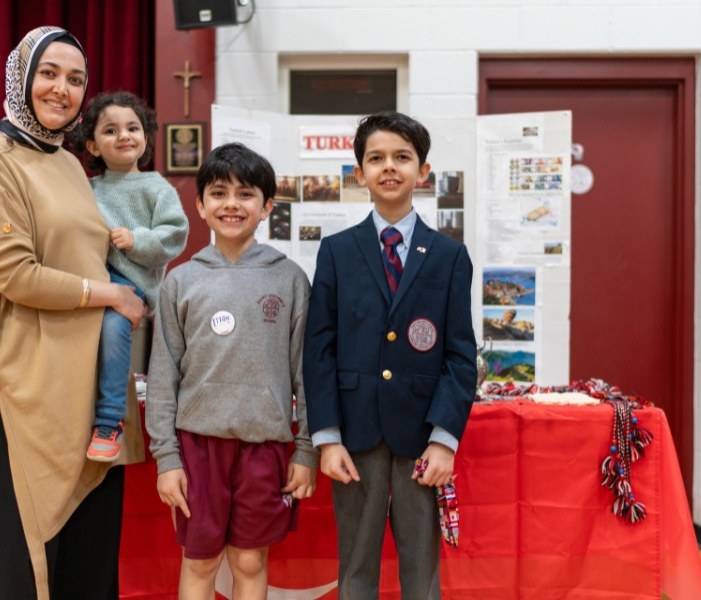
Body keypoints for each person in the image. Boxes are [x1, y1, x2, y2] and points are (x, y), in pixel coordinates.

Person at [0, 26, 146, 600]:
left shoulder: (69, 164)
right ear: (22, 77)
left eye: (76, 79)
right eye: (49, 74)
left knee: (89, 559)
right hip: (30, 386)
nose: (62, 89)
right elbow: (17, 276)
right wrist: (112, 297)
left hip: (91, 388)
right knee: (26, 561)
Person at [302, 111, 477, 599]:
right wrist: (326, 437)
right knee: (356, 565)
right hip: (354, 434)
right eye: (376, 158)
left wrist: (445, 440)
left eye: (402, 157)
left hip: (421, 435)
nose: (389, 167)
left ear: (423, 171)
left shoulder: (448, 256)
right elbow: (319, 348)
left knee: (420, 569)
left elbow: (461, 355)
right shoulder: (337, 251)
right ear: (359, 174)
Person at [145, 142, 319, 600]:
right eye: (219, 193)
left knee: (249, 560)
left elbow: (308, 373)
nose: (232, 205)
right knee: (199, 561)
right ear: (200, 205)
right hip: (197, 446)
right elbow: (163, 377)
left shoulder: (291, 279)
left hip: (266, 444)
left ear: (266, 207)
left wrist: (305, 450)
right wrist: (166, 459)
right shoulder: (181, 280)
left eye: (245, 194)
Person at [72, 90, 189, 461]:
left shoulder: (157, 187)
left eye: (132, 128)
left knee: (111, 328)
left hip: (130, 283)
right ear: (92, 144)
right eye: (110, 131)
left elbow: (175, 235)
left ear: (145, 137)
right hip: (90, 276)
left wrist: (136, 240)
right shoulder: (86, 188)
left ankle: (109, 421)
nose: (124, 136)